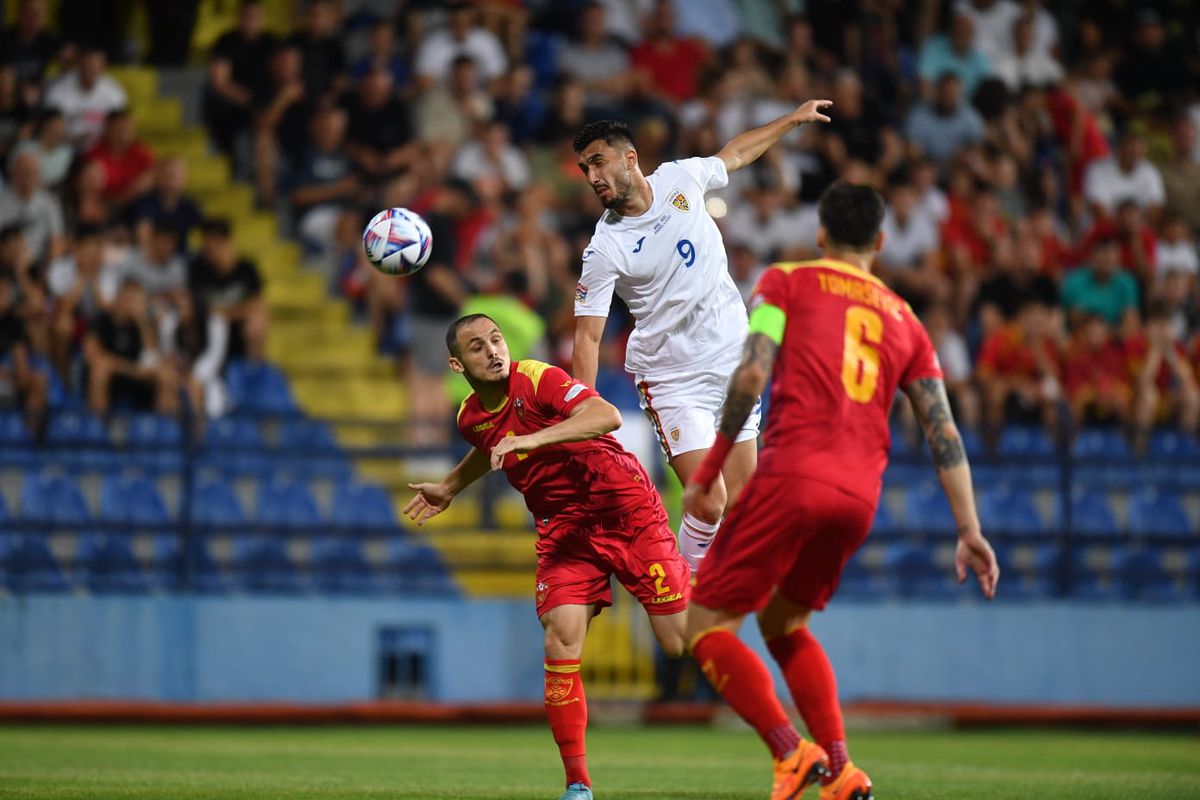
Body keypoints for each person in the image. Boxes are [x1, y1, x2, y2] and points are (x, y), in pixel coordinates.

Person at [682, 182, 999, 800]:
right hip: (858, 498)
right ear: (880, 243)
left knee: (704, 624)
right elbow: (943, 431)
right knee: (785, 620)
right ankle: (841, 767)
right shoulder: (909, 324)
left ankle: (788, 752)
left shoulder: (786, 282)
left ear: (821, 235)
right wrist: (969, 530)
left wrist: (711, 466)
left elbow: (752, 369)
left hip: (793, 474)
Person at [404, 314, 690, 800]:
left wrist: (532, 439)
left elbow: (606, 416)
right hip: (565, 533)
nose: (493, 350)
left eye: (496, 340)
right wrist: (449, 487)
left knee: (679, 644)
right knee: (560, 641)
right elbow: (488, 446)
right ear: (457, 363)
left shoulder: (538, 379)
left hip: (626, 512)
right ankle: (578, 785)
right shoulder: (468, 417)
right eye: (477, 347)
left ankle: (716, 584)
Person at [571, 101, 832, 573]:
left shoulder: (680, 178)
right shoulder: (604, 247)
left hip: (734, 367)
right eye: (585, 168)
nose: (592, 176)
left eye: (598, 162)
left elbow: (735, 153)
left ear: (629, 158)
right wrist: (582, 413)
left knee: (742, 503)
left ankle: (701, 588)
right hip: (674, 380)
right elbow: (587, 339)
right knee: (708, 500)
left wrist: (792, 120)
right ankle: (680, 589)